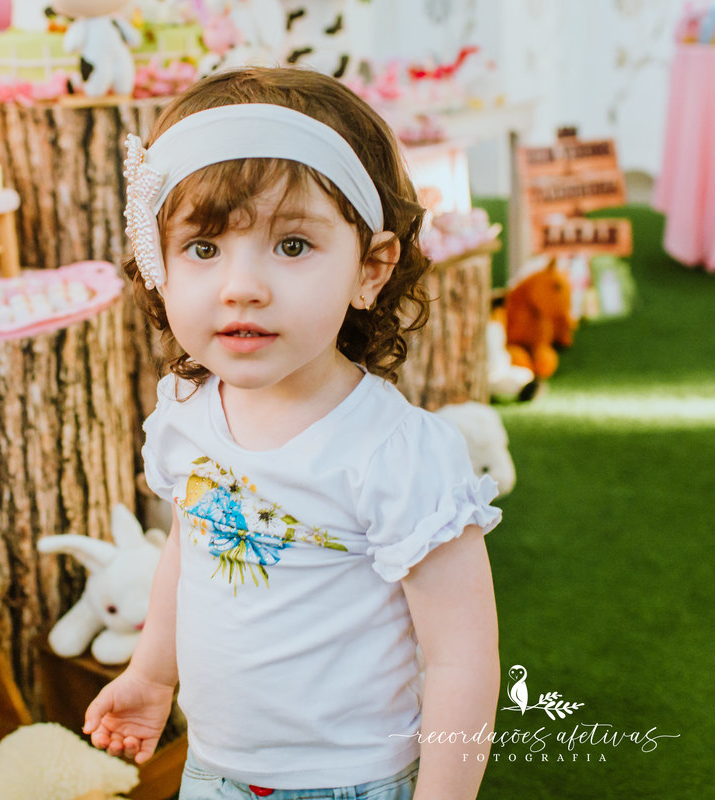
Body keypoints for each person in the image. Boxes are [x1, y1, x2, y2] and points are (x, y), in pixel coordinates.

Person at [83, 67, 502, 800]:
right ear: (159, 263)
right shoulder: (184, 410)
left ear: (369, 269)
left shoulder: (397, 454)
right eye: (204, 249)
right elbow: (192, 546)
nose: (242, 285)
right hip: (215, 771)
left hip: (355, 781)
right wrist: (152, 674)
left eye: (293, 245)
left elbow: (463, 658)